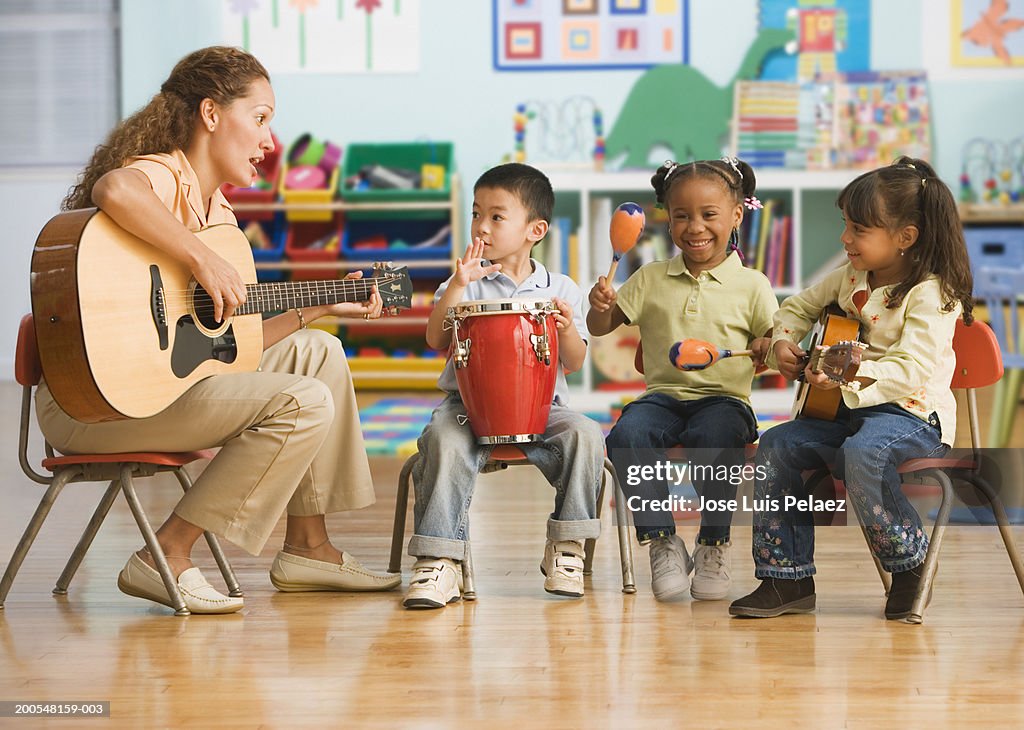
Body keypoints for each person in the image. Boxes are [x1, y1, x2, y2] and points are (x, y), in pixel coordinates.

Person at [41, 46, 400, 614]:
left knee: (319, 355)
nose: (270, 141)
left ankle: (308, 547)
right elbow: (115, 189)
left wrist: (320, 306)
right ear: (211, 115)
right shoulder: (163, 174)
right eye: (260, 118)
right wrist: (200, 260)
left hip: (163, 390)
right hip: (95, 405)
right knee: (299, 401)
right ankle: (168, 554)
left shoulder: (221, 218)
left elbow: (231, 345)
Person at [729, 157, 974, 621]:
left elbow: (913, 367)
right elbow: (796, 308)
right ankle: (788, 578)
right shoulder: (851, 276)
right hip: (848, 413)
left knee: (867, 452)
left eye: (858, 229)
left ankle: (910, 567)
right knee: (778, 445)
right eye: (847, 225)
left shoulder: (933, 292)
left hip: (913, 417)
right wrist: (783, 342)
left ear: (906, 237)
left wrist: (846, 376)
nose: (845, 239)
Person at [402, 162, 605, 609]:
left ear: (535, 229)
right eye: (476, 214)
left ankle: (567, 548)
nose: (481, 226)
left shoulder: (562, 288)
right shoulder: (465, 286)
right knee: (442, 438)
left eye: (496, 216)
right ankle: (439, 560)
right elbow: (436, 338)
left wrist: (567, 327)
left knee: (587, 435)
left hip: (540, 408)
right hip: (467, 407)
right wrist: (456, 286)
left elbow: (574, 360)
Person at [588, 157, 777, 602]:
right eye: (681, 216)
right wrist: (598, 305)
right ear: (666, 219)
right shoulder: (651, 276)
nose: (695, 227)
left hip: (724, 400)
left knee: (717, 434)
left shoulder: (752, 284)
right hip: (662, 398)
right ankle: (662, 540)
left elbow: (773, 342)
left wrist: (767, 346)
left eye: (709, 215)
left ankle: (714, 542)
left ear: (736, 215)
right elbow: (601, 327)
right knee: (628, 434)